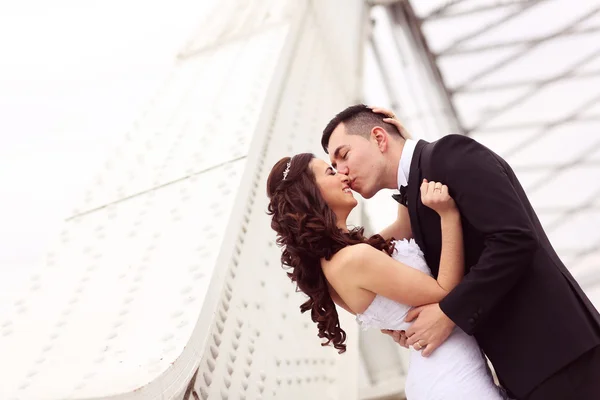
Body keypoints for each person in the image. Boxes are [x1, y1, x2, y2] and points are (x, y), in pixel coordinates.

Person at [320, 104, 600, 399]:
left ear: (379, 138)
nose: (343, 172)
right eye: (334, 167)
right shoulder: (418, 192)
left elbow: (513, 238)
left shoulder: (450, 154)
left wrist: (448, 313)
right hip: (524, 371)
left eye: (344, 156)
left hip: (561, 354)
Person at [266, 153, 507, 399]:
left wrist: (401, 152)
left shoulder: (334, 265)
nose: (343, 175)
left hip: (440, 369)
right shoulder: (354, 259)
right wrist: (448, 215)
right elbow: (447, 294)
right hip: (451, 379)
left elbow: (404, 226)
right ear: (310, 194)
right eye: (330, 172)